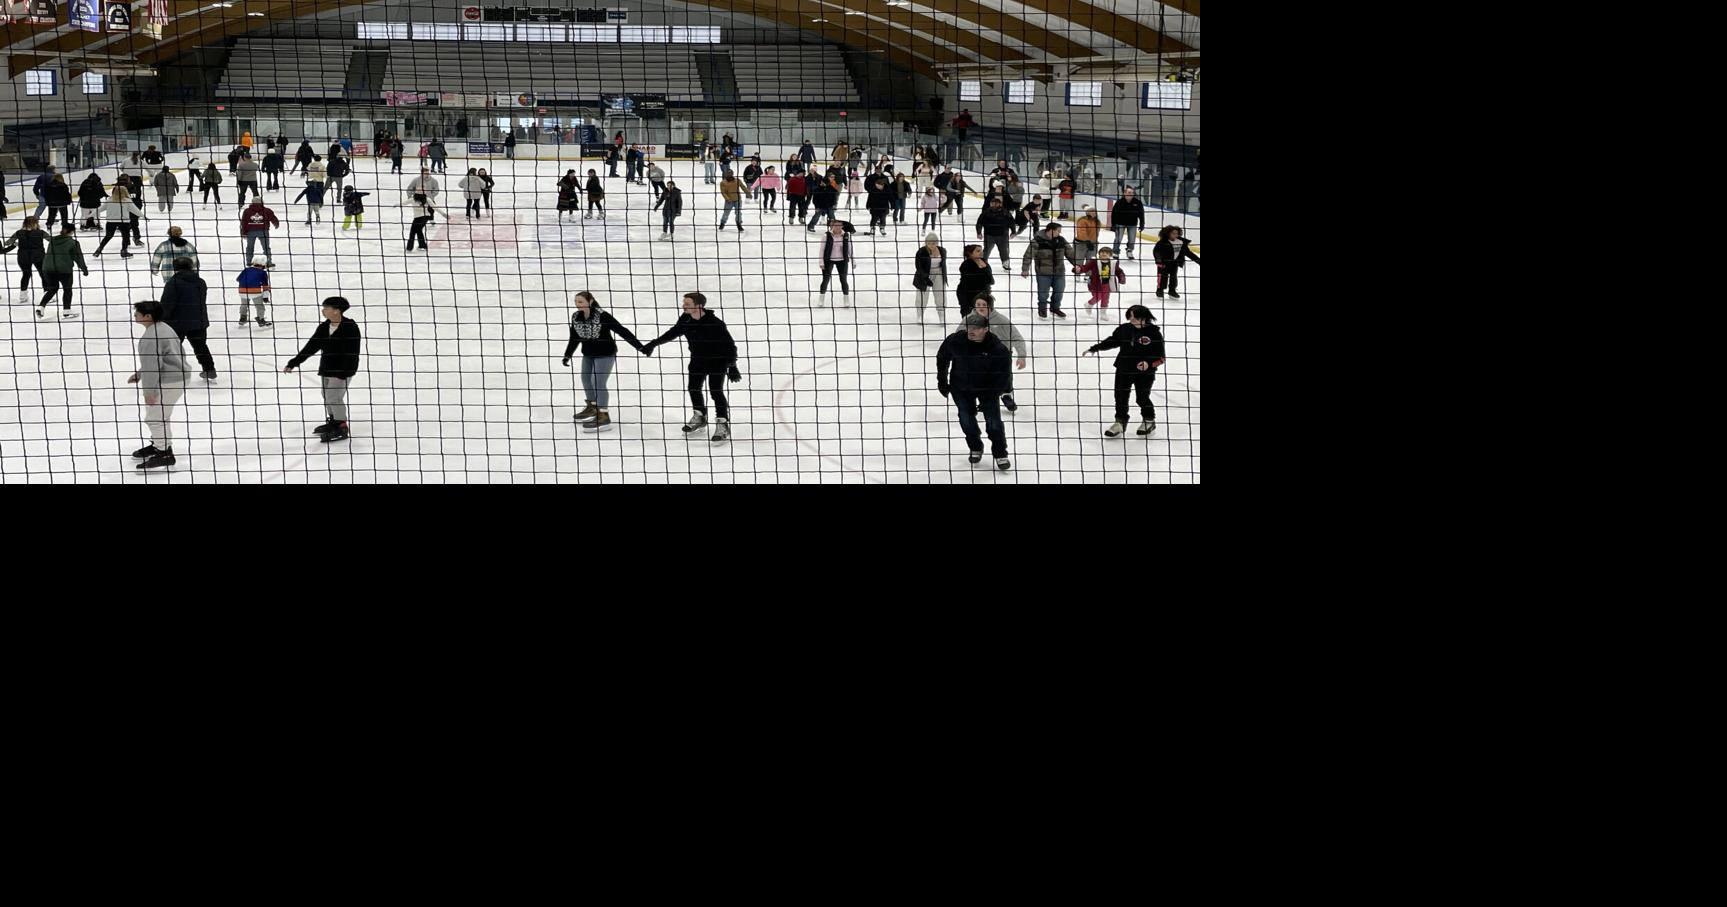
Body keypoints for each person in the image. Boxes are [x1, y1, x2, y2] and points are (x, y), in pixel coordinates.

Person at [643, 292, 740, 443]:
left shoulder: (715, 323)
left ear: (699, 306)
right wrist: (653, 343)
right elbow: (672, 333)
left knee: (716, 391)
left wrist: (732, 366)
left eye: (687, 304)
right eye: (684, 303)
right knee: (693, 388)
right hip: (697, 360)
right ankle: (700, 417)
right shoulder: (686, 319)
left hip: (717, 361)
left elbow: (729, 345)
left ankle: (723, 424)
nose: (684, 306)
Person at [936, 313, 1012, 471]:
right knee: (966, 419)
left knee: (993, 423)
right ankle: (975, 446)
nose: (971, 331)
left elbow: (1003, 376)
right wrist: (942, 380)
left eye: (976, 328)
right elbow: (942, 357)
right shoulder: (955, 340)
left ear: (985, 329)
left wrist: (992, 394)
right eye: (969, 327)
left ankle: (1000, 453)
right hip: (960, 387)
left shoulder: (997, 348)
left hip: (987, 389)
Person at [561, 291, 646, 432]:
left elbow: (622, 331)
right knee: (586, 379)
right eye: (576, 302)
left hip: (605, 354)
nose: (577, 305)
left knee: (598, 382)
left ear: (591, 301)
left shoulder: (602, 315)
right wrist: (567, 354)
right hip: (588, 354)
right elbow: (574, 337)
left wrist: (640, 347)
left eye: (581, 301)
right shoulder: (576, 317)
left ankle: (603, 415)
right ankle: (593, 407)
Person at [283, 297, 362, 443]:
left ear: (337, 310)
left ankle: (341, 425)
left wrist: (344, 373)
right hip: (326, 368)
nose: (323, 310)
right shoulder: (324, 327)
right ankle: (333, 421)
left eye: (326, 308)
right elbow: (311, 346)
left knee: (334, 397)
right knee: (326, 395)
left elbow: (353, 353)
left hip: (342, 371)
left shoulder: (350, 327)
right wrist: (294, 362)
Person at [127, 301, 190, 470]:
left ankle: (164, 454)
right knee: (162, 416)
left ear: (147, 316)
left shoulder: (150, 337)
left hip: (168, 381)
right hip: (179, 377)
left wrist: (149, 392)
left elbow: (153, 366)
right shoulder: (165, 328)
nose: (135, 316)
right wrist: (141, 373)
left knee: (154, 418)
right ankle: (160, 446)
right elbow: (161, 357)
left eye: (137, 314)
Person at [1085, 304, 1165, 437]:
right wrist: (1095, 348)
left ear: (1144, 318)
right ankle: (1120, 422)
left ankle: (1149, 420)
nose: (1132, 319)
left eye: (1135, 317)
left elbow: (1161, 357)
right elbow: (1112, 341)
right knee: (1120, 397)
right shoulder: (1124, 329)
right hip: (1123, 368)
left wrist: (1149, 364)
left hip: (1144, 374)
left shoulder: (1154, 333)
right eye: (1130, 317)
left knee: (1142, 398)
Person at [964, 293, 1028, 412]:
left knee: (1003, 376)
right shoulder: (969, 319)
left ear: (990, 306)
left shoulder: (1001, 320)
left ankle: (1006, 395)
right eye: (978, 304)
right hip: (980, 354)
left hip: (1001, 355)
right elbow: (959, 336)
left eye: (984, 304)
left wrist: (1022, 356)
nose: (981, 307)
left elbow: (1016, 337)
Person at [161, 257, 217, 382]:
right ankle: (209, 370)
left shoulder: (173, 283)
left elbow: (167, 303)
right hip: (199, 320)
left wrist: (162, 319)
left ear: (175, 268)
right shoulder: (201, 282)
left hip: (177, 322)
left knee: (173, 348)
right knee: (200, 346)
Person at [1021, 221, 1079, 319]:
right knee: (1043, 294)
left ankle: (1055, 308)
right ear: (1051, 230)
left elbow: (1070, 253)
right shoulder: (1037, 241)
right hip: (1043, 272)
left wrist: (1078, 265)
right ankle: (1042, 309)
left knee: (1059, 291)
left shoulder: (1061, 240)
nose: (1059, 233)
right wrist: (1025, 269)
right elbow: (1028, 255)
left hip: (1059, 272)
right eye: (1058, 231)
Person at [2, 216, 47, 306]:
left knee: (26, 274)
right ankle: (47, 294)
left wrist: (17, 243)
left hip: (23, 257)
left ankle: (23, 295)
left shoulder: (19, 233)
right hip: (38, 256)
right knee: (43, 274)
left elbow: (7, 242)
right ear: (35, 223)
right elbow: (52, 241)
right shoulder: (41, 233)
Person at [92, 185, 143, 258]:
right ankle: (124, 251)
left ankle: (99, 249)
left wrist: (90, 215)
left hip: (111, 222)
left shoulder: (109, 200)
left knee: (108, 236)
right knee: (125, 236)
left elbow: (99, 209)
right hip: (124, 222)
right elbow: (135, 210)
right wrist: (143, 216)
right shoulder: (127, 201)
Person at [1153, 225, 1201, 298]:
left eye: (1177, 233)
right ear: (1167, 233)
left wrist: (1198, 260)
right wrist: (1159, 262)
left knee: (1173, 277)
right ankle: (1160, 290)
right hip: (1164, 263)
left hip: (1174, 263)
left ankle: (1172, 290)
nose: (1175, 235)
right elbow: (1156, 252)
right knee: (1162, 277)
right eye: (1173, 233)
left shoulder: (1180, 242)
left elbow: (1188, 253)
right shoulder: (1162, 242)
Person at [912, 233, 948, 323]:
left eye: (933, 243)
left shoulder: (942, 251)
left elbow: (943, 265)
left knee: (940, 295)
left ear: (937, 243)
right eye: (929, 243)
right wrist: (925, 278)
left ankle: (942, 316)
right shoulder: (921, 252)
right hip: (924, 275)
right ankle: (919, 315)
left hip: (939, 274)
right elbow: (918, 267)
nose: (931, 245)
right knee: (922, 296)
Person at [817, 218, 854, 304]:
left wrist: (853, 260)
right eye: (836, 225)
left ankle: (846, 299)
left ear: (842, 226)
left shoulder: (846, 235)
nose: (838, 227)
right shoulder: (826, 236)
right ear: (832, 226)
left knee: (843, 280)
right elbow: (822, 250)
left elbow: (850, 249)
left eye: (839, 225)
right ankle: (821, 298)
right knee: (825, 279)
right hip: (828, 260)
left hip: (842, 260)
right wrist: (821, 262)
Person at [974, 196, 1016, 269]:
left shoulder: (1006, 213)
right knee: (986, 251)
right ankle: (983, 263)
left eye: (996, 203)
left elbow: (1012, 222)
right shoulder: (986, 212)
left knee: (1004, 251)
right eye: (992, 203)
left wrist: (1013, 232)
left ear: (1000, 204)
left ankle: (1006, 265)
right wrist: (979, 232)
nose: (994, 205)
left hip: (1003, 236)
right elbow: (979, 223)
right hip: (989, 235)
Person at [956, 243, 994, 319]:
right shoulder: (966, 265)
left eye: (981, 250)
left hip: (982, 293)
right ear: (970, 253)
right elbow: (973, 281)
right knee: (969, 316)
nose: (981, 252)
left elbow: (990, 279)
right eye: (978, 251)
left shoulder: (984, 261)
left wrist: (987, 288)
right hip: (967, 294)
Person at [240, 198, 279, 264]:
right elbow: (273, 218)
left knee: (250, 247)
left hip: (251, 232)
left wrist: (243, 233)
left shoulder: (246, 211)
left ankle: (249, 262)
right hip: (263, 231)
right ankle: (268, 261)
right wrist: (276, 224)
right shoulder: (267, 210)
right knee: (266, 247)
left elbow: (243, 222)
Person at [235, 258, 272, 328]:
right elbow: (265, 286)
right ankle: (261, 319)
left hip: (242, 291)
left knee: (244, 305)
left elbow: (238, 279)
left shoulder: (246, 270)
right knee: (259, 306)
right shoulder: (263, 272)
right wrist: (265, 297)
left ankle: (243, 318)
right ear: (263, 265)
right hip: (255, 292)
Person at [1110, 187, 1145, 259]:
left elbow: (1141, 214)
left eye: (1132, 193)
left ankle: (1129, 251)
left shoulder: (1138, 203)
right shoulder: (1119, 202)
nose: (1130, 194)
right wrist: (1113, 224)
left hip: (1132, 223)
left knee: (1132, 239)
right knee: (1118, 238)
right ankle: (1115, 252)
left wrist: (1142, 224)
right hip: (1120, 223)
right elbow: (1114, 214)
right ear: (1124, 193)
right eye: (1129, 192)